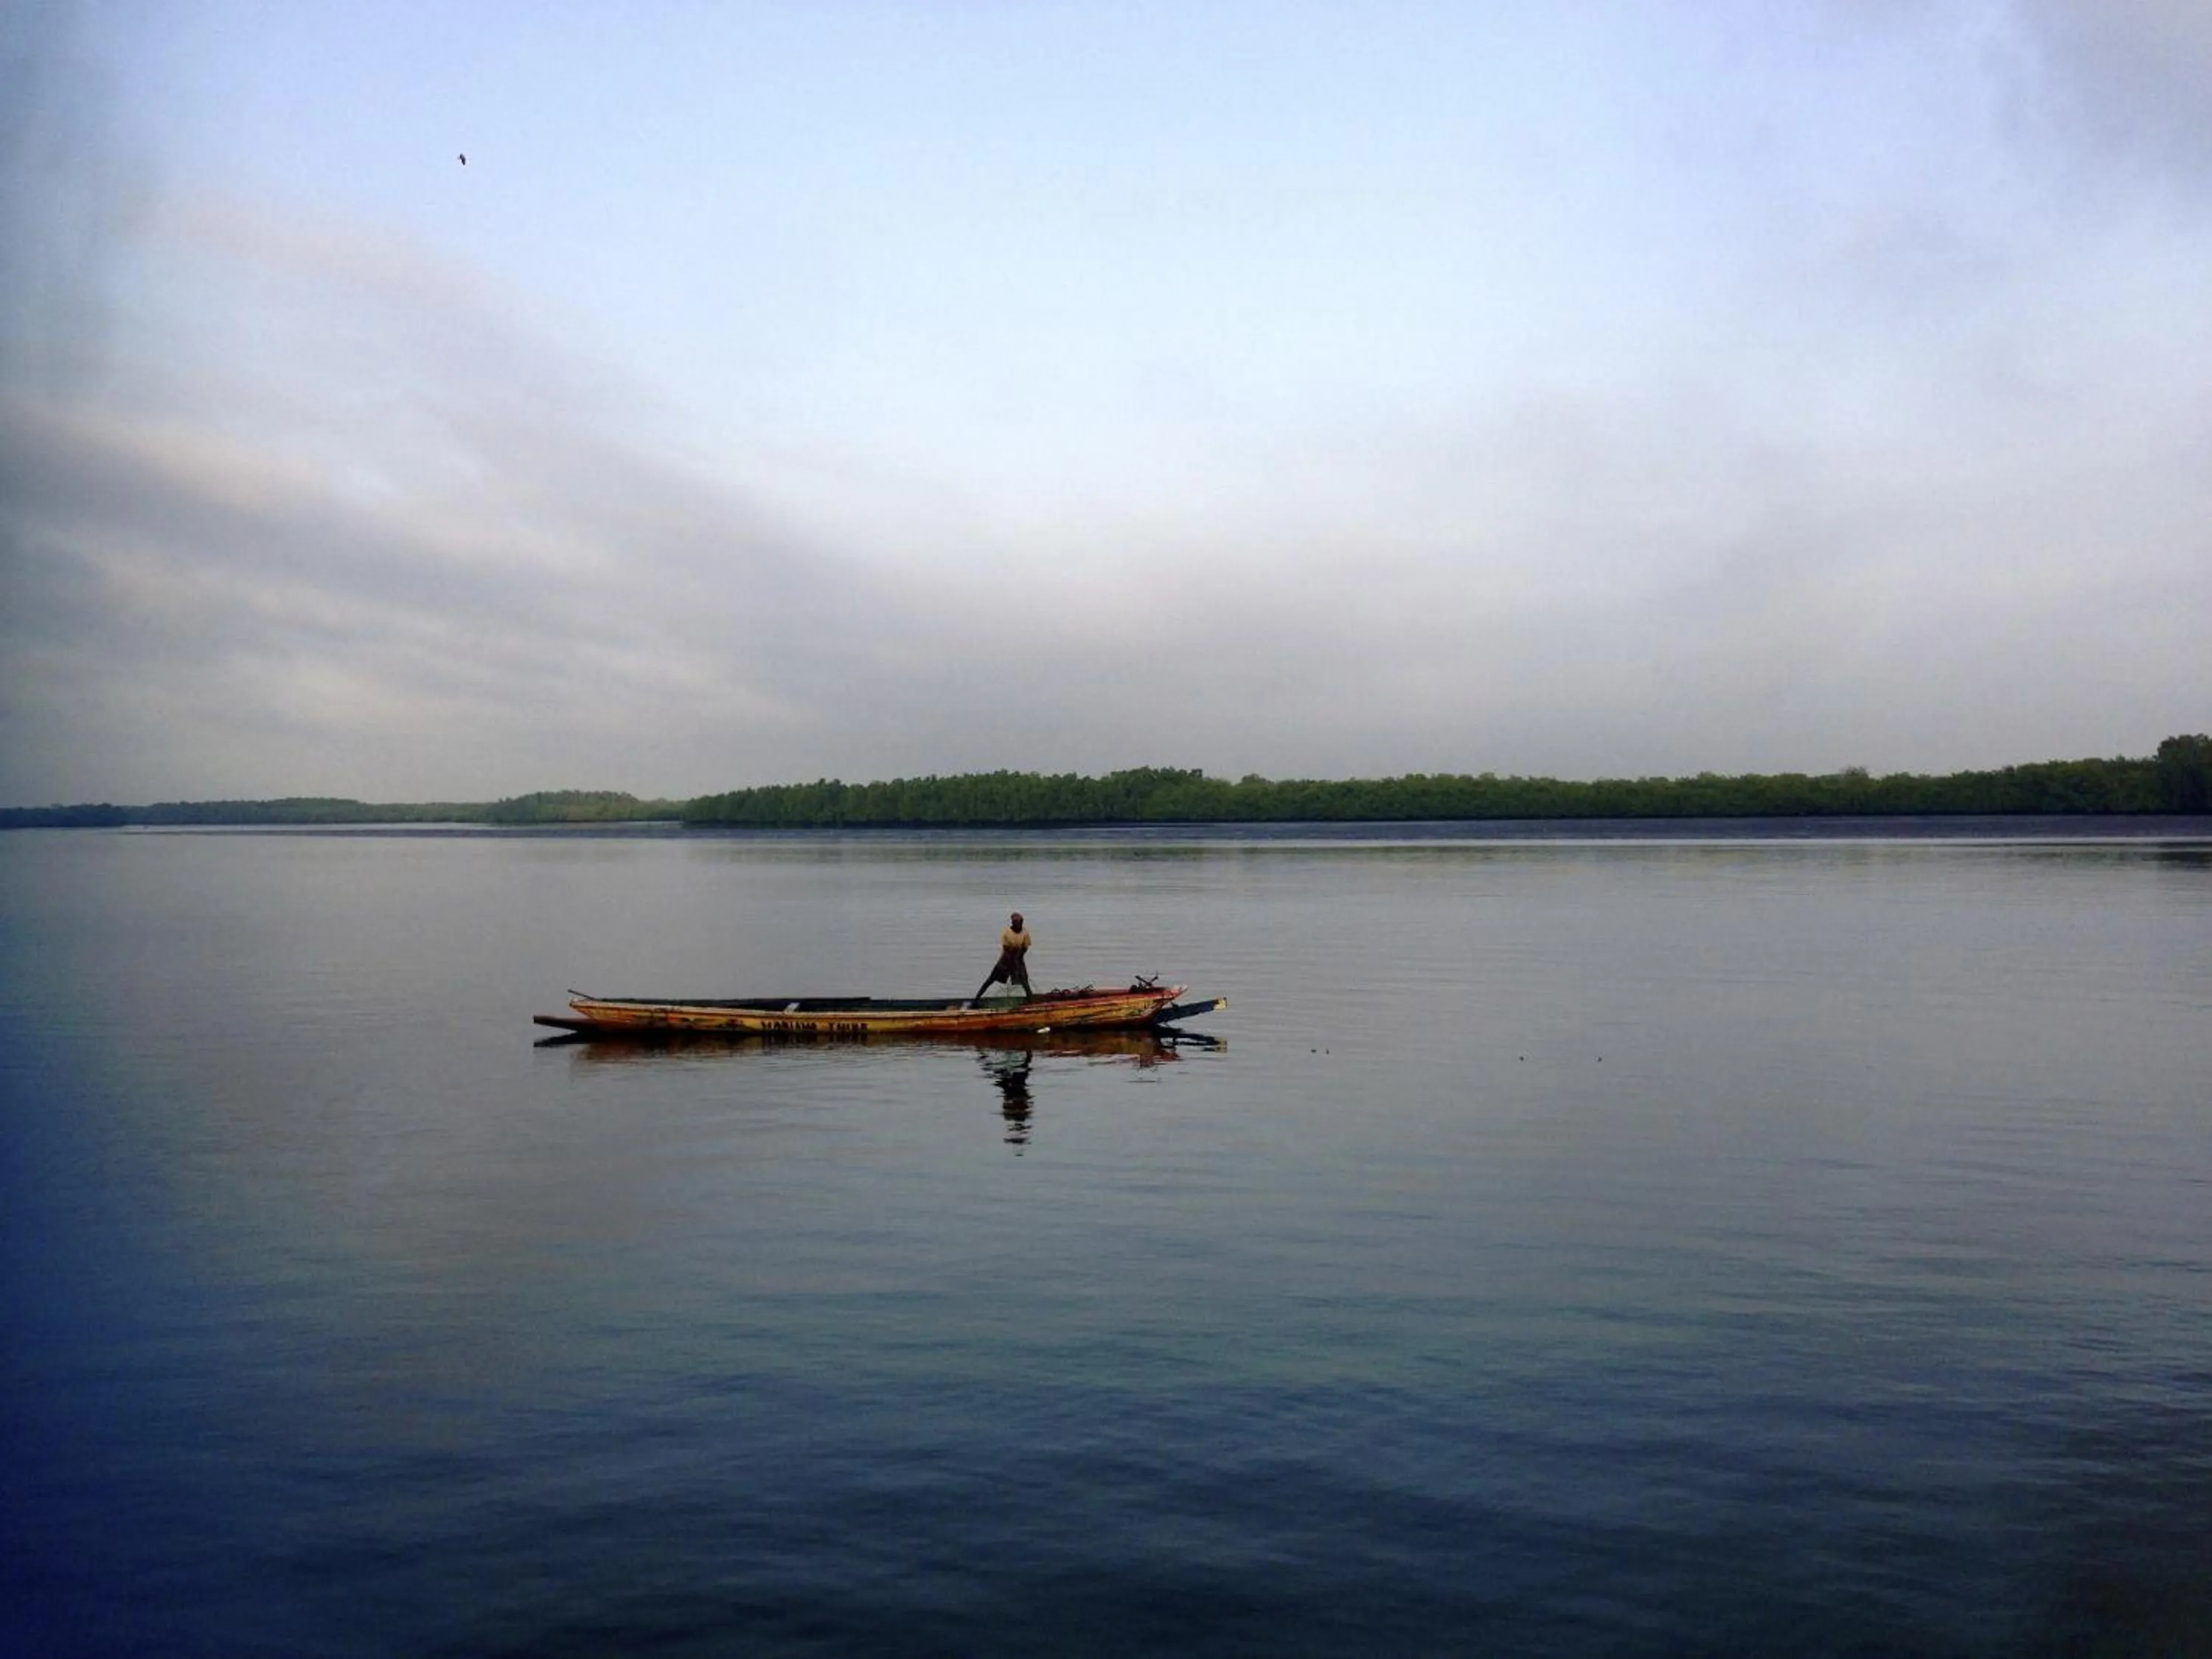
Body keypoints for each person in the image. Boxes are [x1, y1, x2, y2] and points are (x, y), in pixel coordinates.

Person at [974, 911, 1034, 1001]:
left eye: (1020, 922)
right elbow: (1006, 949)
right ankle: (976, 999)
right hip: (1006, 959)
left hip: (1018, 959)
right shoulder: (1006, 933)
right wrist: (1011, 962)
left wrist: (1018, 959)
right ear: (1013, 923)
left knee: (1025, 982)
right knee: (991, 980)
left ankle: (1031, 1002)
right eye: (1016, 923)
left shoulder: (1025, 933)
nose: (1018, 924)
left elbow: (1025, 947)